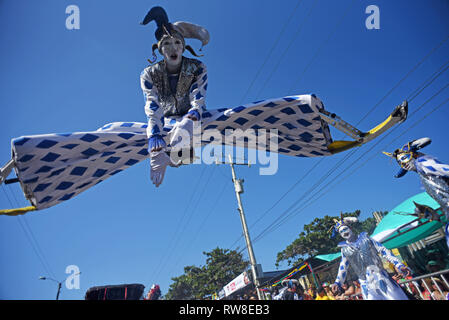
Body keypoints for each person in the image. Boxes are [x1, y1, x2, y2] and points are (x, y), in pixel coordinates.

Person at [140, 6, 209, 187]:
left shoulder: (198, 68)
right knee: (149, 135)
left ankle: (182, 147)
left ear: (184, 47)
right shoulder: (149, 74)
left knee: (224, 120)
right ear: (160, 49)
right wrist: (154, 137)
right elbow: (152, 103)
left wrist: (192, 117)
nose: (173, 48)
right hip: (166, 119)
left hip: (194, 117)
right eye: (167, 44)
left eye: (177, 43)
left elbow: (198, 95)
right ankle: (165, 151)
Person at [383, 137, 449, 249]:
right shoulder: (422, 173)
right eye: (401, 163)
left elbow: (445, 169)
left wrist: (411, 145)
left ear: (413, 154)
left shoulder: (422, 163)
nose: (405, 165)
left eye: (405, 158)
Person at [329, 214, 411, 300]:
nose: (344, 232)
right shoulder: (344, 249)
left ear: (351, 228)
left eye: (345, 229)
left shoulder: (366, 238)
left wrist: (399, 265)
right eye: (341, 232)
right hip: (367, 285)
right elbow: (343, 267)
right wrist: (337, 283)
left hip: (382, 278)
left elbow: (384, 251)